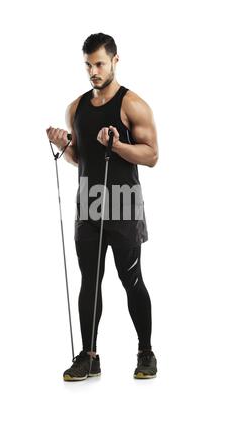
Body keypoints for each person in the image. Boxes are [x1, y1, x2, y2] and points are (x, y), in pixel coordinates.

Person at [46, 33, 158, 381]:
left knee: (131, 279)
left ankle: (146, 352)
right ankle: (89, 356)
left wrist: (118, 144)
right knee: (89, 282)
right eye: (88, 65)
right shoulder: (75, 108)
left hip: (124, 207)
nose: (93, 71)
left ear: (114, 61)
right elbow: (81, 158)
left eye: (99, 63)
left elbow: (152, 155)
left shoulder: (133, 104)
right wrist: (65, 145)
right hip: (89, 208)